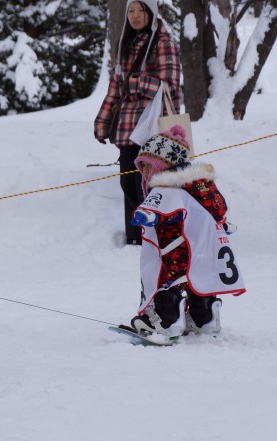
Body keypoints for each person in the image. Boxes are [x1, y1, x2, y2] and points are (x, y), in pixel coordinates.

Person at [126, 125, 245, 338]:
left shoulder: (166, 187)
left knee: (166, 281)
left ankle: (165, 321)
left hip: (173, 250)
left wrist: (145, 215)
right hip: (200, 248)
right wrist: (223, 225)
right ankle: (205, 318)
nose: (144, 172)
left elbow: (158, 210)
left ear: (163, 165)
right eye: (141, 166)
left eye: (147, 166)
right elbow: (216, 211)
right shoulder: (201, 186)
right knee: (198, 280)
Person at [94, 0, 181, 246]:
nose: (134, 15)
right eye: (130, 10)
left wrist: (137, 82)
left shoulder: (163, 43)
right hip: (127, 129)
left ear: (151, 12)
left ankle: (156, 237)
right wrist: (102, 120)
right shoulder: (126, 45)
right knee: (127, 182)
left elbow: (170, 88)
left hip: (155, 129)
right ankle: (136, 237)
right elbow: (114, 89)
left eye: (140, 10)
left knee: (146, 184)